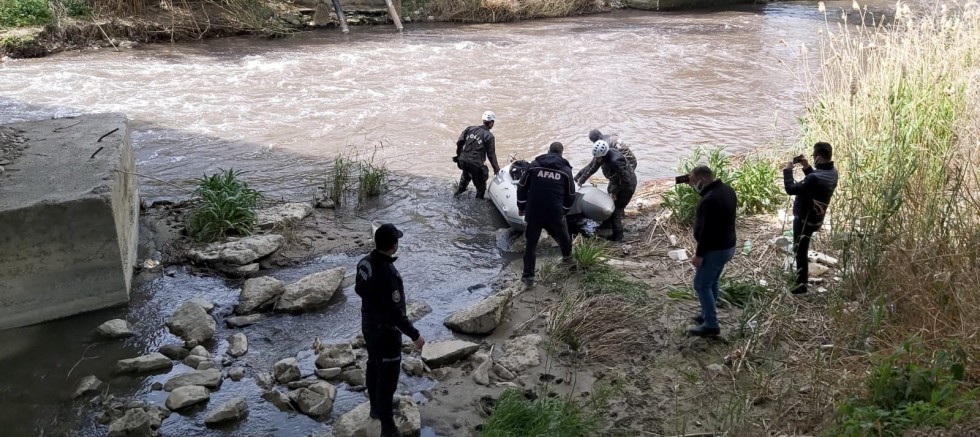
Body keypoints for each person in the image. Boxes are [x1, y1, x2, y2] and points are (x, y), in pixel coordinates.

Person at [355, 223, 426, 437]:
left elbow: (359, 289)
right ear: (394, 246)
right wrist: (415, 335)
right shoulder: (388, 274)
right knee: (387, 380)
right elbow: (396, 313)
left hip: (368, 325)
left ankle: (375, 407)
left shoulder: (364, 263)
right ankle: (388, 428)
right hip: (386, 333)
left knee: (373, 364)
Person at [688, 165, 737, 337]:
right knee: (712, 282)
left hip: (715, 249)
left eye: (693, 181)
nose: (692, 185)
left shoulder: (710, 200)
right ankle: (705, 314)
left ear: (702, 180)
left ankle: (711, 325)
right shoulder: (727, 190)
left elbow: (707, 232)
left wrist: (699, 255)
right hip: (728, 245)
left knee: (701, 285)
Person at [516, 142, 575, 287]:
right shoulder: (566, 171)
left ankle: (528, 277)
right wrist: (564, 211)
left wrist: (521, 206)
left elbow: (522, 187)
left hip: (534, 211)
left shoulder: (534, 165)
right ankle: (568, 258)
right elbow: (571, 195)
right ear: (561, 154)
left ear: (548, 151)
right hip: (555, 212)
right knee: (564, 236)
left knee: (531, 245)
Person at [783, 141, 839, 294]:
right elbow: (815, 186)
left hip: (805, 219)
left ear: (819, 158)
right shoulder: (833, 172)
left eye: (814, 156)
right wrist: (807, 168)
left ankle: (801, 286)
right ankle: (801, 280)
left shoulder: (815, 178)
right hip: (817, 218)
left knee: (799, 249)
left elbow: (791, 189)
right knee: (802, 246)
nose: (813, 158)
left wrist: (787, 171)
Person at [574, 140, 637, 242]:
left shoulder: (616, 162)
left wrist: (614, 193)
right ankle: (607, 225)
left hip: (627, 186)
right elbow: (592, 168)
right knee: (611, 201)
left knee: (616, 210)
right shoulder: (603, 157)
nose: (596, 159)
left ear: (603, 155)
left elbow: (625, 180)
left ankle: (618, 237)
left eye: (598, 158)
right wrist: (581, 179)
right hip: (615, 181)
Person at [453, 111, 501, 199]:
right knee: (481, 188)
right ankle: (477, 205)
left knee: (466, 175)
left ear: (483, 120)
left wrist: (459, 156)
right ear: (491, 123)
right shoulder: (489, 136)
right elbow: (491, 155)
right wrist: (496, 169)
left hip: (463, 160)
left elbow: (459, 143)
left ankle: (457, 194)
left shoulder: (470, 129)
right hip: (475, 164)